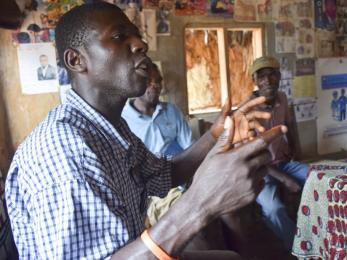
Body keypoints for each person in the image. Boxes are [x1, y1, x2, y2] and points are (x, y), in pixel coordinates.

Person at [5, 3, 285, 259]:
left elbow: (162, 175)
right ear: (77, 61)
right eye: (119, 37)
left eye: (137, 36)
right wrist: (201, 201)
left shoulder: (108, 127)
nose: (140, 44)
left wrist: (217, 135)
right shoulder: (66, 153)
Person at [249, 56, 309, 250]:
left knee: (318, 177)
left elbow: (291, 126)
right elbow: (255, 159)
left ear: (279, 77)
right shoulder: (248, 110)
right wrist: (286, 180)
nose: (267, 80)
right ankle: (298, 248)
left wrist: (298, 155)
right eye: (262, 76)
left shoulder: (282, 98)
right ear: (255, 81)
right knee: (275, 209)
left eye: (271, 74)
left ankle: (327, 232)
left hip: (284, 162)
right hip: (261, 172)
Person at [122, 62, 193, 157]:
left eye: (158, 81)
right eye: (148, 81)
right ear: (136, 84)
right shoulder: (123, 120)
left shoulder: (171, 110)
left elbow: (189, 145)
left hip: (179, 165)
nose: (156, 85)